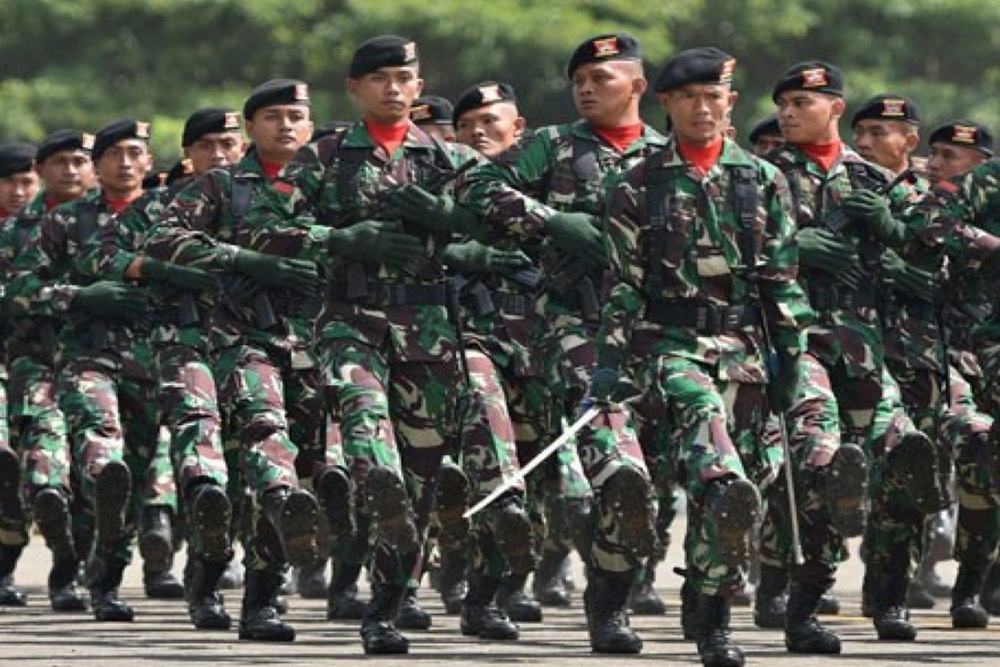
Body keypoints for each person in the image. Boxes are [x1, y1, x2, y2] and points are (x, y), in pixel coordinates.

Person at [460, 32, 668, 653]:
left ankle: (604, 588)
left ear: (637, 85)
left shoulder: (669, 157)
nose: (585, 89)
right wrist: (550, 220)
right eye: (578, 80)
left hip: (656, 336)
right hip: (570, 329)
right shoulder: (550, 147)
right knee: (611, 467)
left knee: (638, 481)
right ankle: (601, 610)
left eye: (600, 78)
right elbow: (473, 188)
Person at [144, 81, 343, 642]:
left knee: (295, 463)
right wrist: (243, 258)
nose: (286, 126)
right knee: (265, 437)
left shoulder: (331, 186)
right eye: (273, 116)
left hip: (314, 340)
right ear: (251, 129)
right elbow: (162, 239)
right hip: (239, 338)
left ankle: (260, 597)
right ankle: (219, 577)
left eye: (297, 116)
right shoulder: (222, 186)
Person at [766, 60, 941, 644]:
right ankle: (805, 604)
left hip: (865, 348)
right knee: (824, 461)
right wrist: (794, 246)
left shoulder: (873, 179)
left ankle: (889, 597)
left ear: (835, 107)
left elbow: (933, 259)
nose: (788, 113)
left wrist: (890, 227)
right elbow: (722, 253)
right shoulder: (762, 174)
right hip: (798, 341)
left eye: (802, 103)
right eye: (784, 104)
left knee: (906, 458)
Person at [0, 131, 96, 611]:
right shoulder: (19, 231)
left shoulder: (117, 222)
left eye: (81, 161)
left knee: (95, 469)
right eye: (59, 162)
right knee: (39, 468)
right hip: (32, 361)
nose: (71, 171)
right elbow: (13, 297)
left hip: (104, 364)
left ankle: (71, 571)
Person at [0, 141, 41, 606]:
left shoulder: (51, 230)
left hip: (35, 362)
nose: (18, 190)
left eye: (26, 181)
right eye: (8, 180)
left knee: (24, 474)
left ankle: (5, 568)